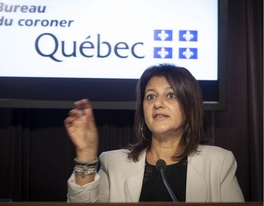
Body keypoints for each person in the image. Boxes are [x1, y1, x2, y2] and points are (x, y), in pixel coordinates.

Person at [64, 63, 244, 202]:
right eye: (150, 96)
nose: (157, 103)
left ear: (189, 107)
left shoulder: (219, 163)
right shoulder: (114, 163)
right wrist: (86, 153)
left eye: (170, 95)